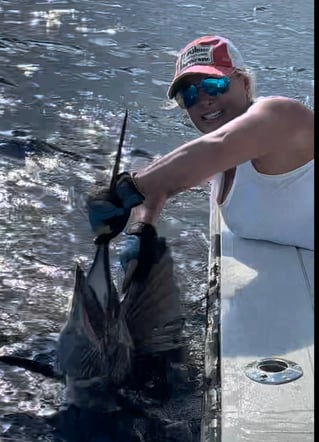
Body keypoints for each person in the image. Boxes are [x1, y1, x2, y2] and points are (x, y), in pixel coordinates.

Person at [88, 35, 314, 253]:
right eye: (189, 94)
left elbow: (219, 145)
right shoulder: (209, 160)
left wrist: (126, 190)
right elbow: (170, 181)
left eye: (214, 84)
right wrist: (142, 230)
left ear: (244, 83)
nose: (204, 100)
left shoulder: (282, 116)